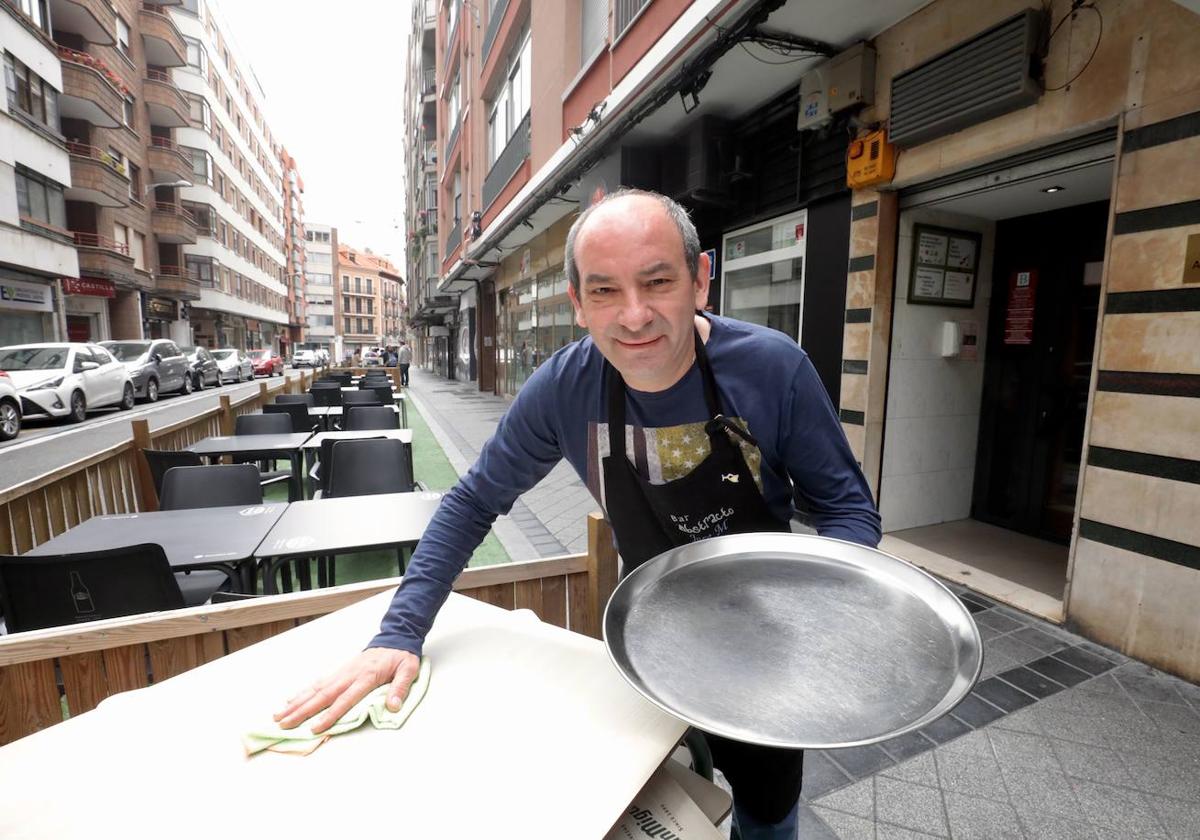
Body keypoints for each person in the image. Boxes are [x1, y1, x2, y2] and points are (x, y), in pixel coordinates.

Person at [275, 189, 880, 839]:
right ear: (578, 305)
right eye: (605, 292)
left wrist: (820, 623)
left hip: (768, 647)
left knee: (765, 816)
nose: (636, 315)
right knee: (653, 805)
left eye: (657, 281)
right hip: (653, 645)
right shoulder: (565, 390)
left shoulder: (771, 370)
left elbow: (848, 510)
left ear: (701, 279)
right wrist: (398, 633)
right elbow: (473, 501)